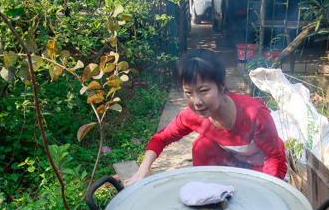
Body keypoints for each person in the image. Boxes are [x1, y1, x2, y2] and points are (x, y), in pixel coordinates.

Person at [123, 49, 287, 187]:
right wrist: (143, 169)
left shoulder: (254, 113)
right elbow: (160, 138)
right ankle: (206, 189)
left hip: (265, 169)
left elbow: (275, 158)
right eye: (189, 92)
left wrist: (264, 190)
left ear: (221, 85)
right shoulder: (192, 115)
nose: (197, 102)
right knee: (202, 145)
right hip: (235, 164)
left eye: (203, 91)